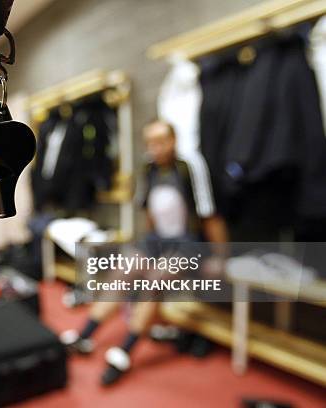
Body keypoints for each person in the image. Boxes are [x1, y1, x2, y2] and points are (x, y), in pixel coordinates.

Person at [60, 119, 228, 386]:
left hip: (189, 242)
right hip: (157, 240)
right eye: (151, 142)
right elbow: (150, 212)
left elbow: (209, 213)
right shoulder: (148, 171)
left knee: (156, 279)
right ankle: (86, 335)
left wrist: (220, 256)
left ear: (173, 141)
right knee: (123, 270)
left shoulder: (189, 167)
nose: (156, 147)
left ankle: (124, 350)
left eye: (162, 140)